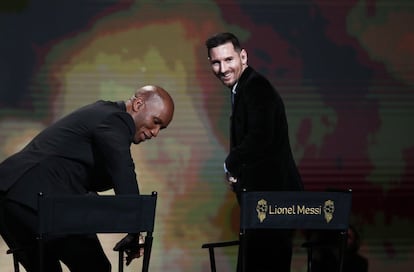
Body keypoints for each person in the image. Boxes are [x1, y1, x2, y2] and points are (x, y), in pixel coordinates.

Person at [0, 85, 174, 272]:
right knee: (95, 267)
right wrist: (136, 228)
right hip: (39, 197)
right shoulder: (115, 119)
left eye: (161, 128)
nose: (155, 132)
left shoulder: (102, 114)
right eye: (155, 121)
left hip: (9, 194)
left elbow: (87, 174)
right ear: (138, 104)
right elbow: (122, 170)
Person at [205, 32, 304, 272]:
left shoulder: (256, 87)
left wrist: (231, 165)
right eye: (216, 62)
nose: (223, 68)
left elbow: (261, 136)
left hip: (274, 201)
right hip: (266, 201)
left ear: (243, 56)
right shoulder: (244, 88)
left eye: (229, 60)